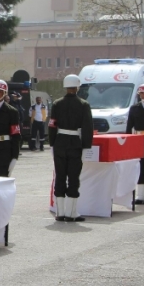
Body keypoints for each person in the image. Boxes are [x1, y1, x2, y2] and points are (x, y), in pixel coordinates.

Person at [49, 74, 94, 222]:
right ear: (77, 87)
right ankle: (71, 213)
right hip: (75, 143)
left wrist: (52, 143)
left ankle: (60, 212)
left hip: (59, 142)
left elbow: (52, 124)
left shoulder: (57, 103)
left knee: (60, 176)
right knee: (73, 178)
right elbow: (87, 127)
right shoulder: (83, 104)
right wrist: (86, 146)